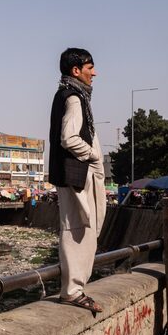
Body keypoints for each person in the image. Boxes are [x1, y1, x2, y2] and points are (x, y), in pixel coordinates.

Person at [49, 47, 106, 313]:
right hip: (77, 175)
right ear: (76, 71)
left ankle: (75, 288)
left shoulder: (72, 95)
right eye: (89, 67)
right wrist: (93, 155)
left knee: (84, 228)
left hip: (76, 174)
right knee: (76, 229)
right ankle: (72, 291)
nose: (94, 73)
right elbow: (69, 138)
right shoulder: (73, 97)